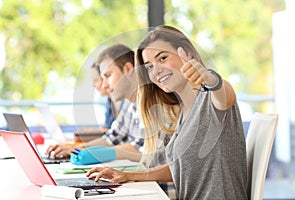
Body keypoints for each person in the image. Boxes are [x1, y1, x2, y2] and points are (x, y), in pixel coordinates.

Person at [86, 25, 248, 199]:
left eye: (162, 58)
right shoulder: (183, 111)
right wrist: (127, 176)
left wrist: (209, 78)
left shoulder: (210, 98)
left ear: (188, 54)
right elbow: (177, 169)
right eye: (149, 67)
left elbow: (226, 95)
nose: (156, 71)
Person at [46, 44, 143, 162]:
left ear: (128, 69)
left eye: (108, 76)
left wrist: (90, 153)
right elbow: (111, 139)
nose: (104, 85)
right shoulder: (129, 104)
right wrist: (76, 148)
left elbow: (140, 150)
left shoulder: (150, 101)